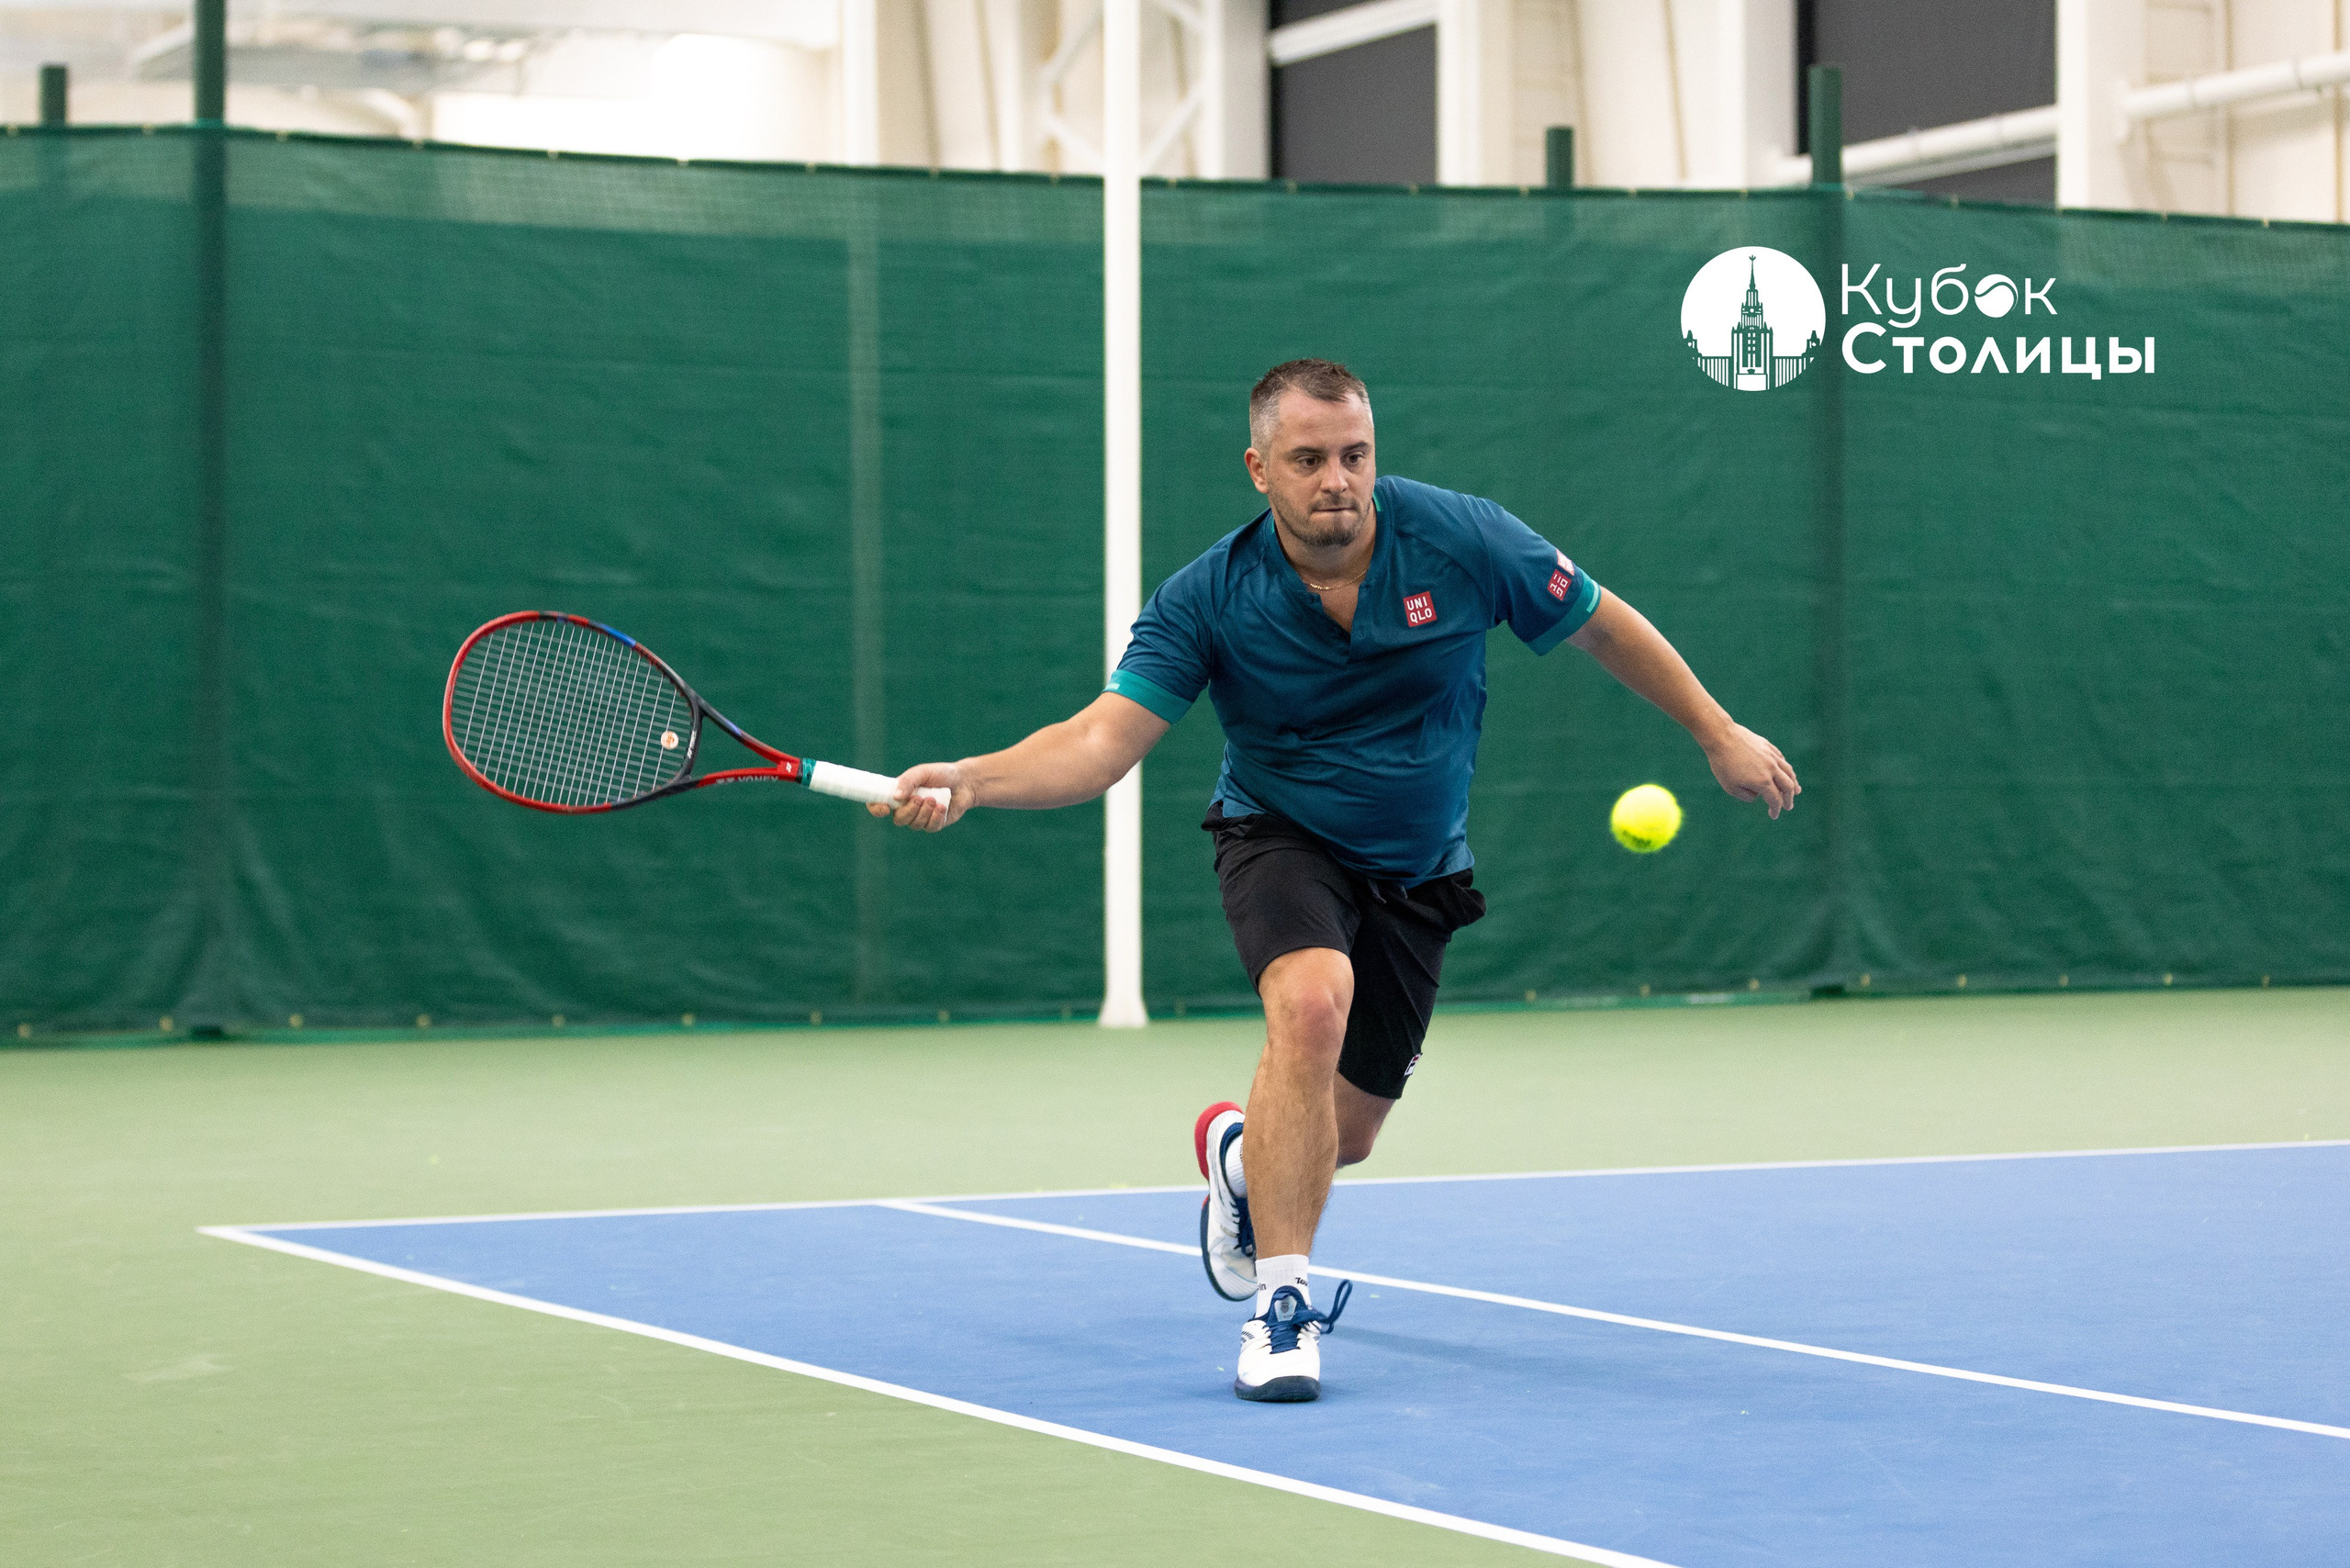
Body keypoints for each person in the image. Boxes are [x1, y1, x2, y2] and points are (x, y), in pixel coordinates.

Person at [871, 358, 1799, 1403]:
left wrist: (1717, 731)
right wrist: (972, 780)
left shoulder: (1464, 537)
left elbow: (1598, 620)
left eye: (1353, 454)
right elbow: (1097, 743)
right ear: (1258, 467)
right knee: (1311, 1002)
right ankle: (1281, 1306)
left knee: (1341, 1138)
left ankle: (1238, 1158)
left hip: (1418, 867)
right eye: (1307, 460)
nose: (1336, 480)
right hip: (1281, 832)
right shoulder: (1206, 597)